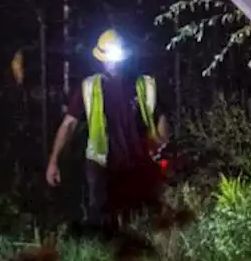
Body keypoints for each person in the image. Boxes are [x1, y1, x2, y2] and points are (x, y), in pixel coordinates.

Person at [46, 29, 170, 228]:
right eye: (109, 57)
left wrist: (163, 147)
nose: (113, 62)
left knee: (140, 218)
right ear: (101, 59)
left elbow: (160, 115)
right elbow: (68, 124)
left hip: (139, 162)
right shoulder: (89, 87)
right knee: (102, 218)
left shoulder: (145, 84)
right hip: (101, 164)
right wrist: (54, 161)